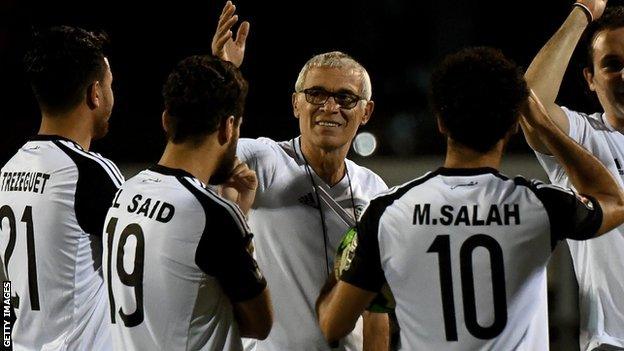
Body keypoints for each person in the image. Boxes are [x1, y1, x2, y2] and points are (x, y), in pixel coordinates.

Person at [316, 47, 624, 350]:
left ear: (440, 121)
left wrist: (341, 269)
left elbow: (334, 324)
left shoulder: (388, 212)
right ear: (513, 126)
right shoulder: (540, 205)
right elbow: (614, 201)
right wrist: (545, 126)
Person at [211, 2, 390, 350]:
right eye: (316, 94)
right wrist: (224, 75)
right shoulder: (265, 159)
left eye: (345, 97)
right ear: (296, 104)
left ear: (365, 112)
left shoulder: (374, 190)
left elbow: (376, 309)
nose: (329, 107)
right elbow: (210, 150)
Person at [102, 54, 272, 351]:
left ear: (166, 119)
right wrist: (237, 218)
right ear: (228, 127)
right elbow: (260, 325)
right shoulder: (212, 215)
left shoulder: (123, 193)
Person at [0, 26, 122, 350]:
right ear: (94, 93)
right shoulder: (89, 172)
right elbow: (146, 267)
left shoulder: (7, 171)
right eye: (110, 85)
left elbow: (6, 290)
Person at [520, 1, 624, 349]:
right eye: (612, 65)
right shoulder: (584, 137)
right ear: (590, 79)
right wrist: (584, 12)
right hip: (613, 342)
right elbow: (531, 101)